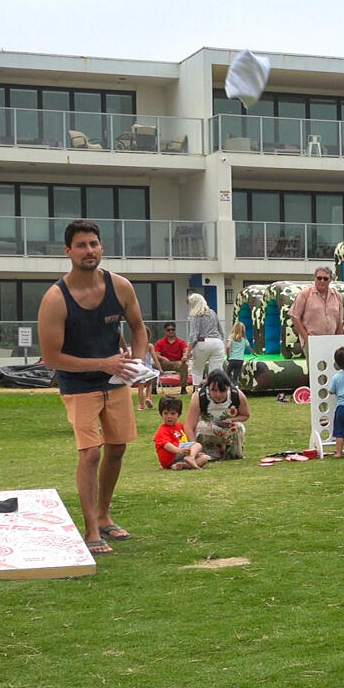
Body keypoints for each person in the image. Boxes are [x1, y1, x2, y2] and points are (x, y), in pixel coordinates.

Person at [38, 219, 146, 555]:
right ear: (67, 251)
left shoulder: (121, 287)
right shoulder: (55, 298)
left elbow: (139, 329)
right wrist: (103, 363)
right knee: (91, 453)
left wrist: (136, 366)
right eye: (82, 245)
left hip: (114, 381)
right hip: (78, 385)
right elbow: (51, 357)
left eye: (94, 244)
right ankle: (89, 531)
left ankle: (103, 516)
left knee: (117, 447)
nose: (90, 251)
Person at [183, 369, 249, 461]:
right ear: (208, 387)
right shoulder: (199, 396)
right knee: (200, 427)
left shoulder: (237, 394)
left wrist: (232, 420)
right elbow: (189, 427)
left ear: (228, 387)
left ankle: (233, 454)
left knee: (239, 427)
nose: (218, 395)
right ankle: (204, 453)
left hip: (227, 429)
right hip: (207, 429)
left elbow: (245, 415)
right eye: (214, 390)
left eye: (222, 390)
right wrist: (195, 448)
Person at [288, 267, 344, 354]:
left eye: (325, 278)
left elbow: (340, 322)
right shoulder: (305, 294)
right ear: (314, 278)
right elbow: (295, 317)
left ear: (330, 280)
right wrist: (307, 338)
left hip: (331, 342)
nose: (322, 281)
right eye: (319, 278)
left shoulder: (337, 296)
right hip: (312, 342)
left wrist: (337, 341)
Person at [152, 395, 209, 470]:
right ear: (161, 414)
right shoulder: (162, 430)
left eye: (172, 413)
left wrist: (195, 453)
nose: (169, 416)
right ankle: (191, 458)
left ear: (179, 414)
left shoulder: (179, 426)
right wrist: (179, 451)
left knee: (204, 459)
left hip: (179, 456)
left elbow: (183, 440)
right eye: (166, 413)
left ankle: (182, 465)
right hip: (172, 455)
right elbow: (167, 445)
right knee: (198, 445)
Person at [184, 294, 226, 388]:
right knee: (215, 371)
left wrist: (188, 351)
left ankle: (197, 391)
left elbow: (194, 335)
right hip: (217, 342)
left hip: (202, 342)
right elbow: (221, 331)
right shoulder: (212, 313)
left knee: (197, 369)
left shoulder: (196, 316)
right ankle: (214, 390)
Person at [153, 320, 189, 390]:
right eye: (168, 330)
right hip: (163, 363)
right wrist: (163, 358)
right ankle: (153, 388)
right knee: (153, 365)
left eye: (173, 329)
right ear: (165, 331)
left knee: (184, 365)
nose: (171, 331)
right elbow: (156, 354)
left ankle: (183, 388)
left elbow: (186, 350)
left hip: (176, 363)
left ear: (175, 330)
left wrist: (184, 356)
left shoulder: (181, 342)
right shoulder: (160, 342)